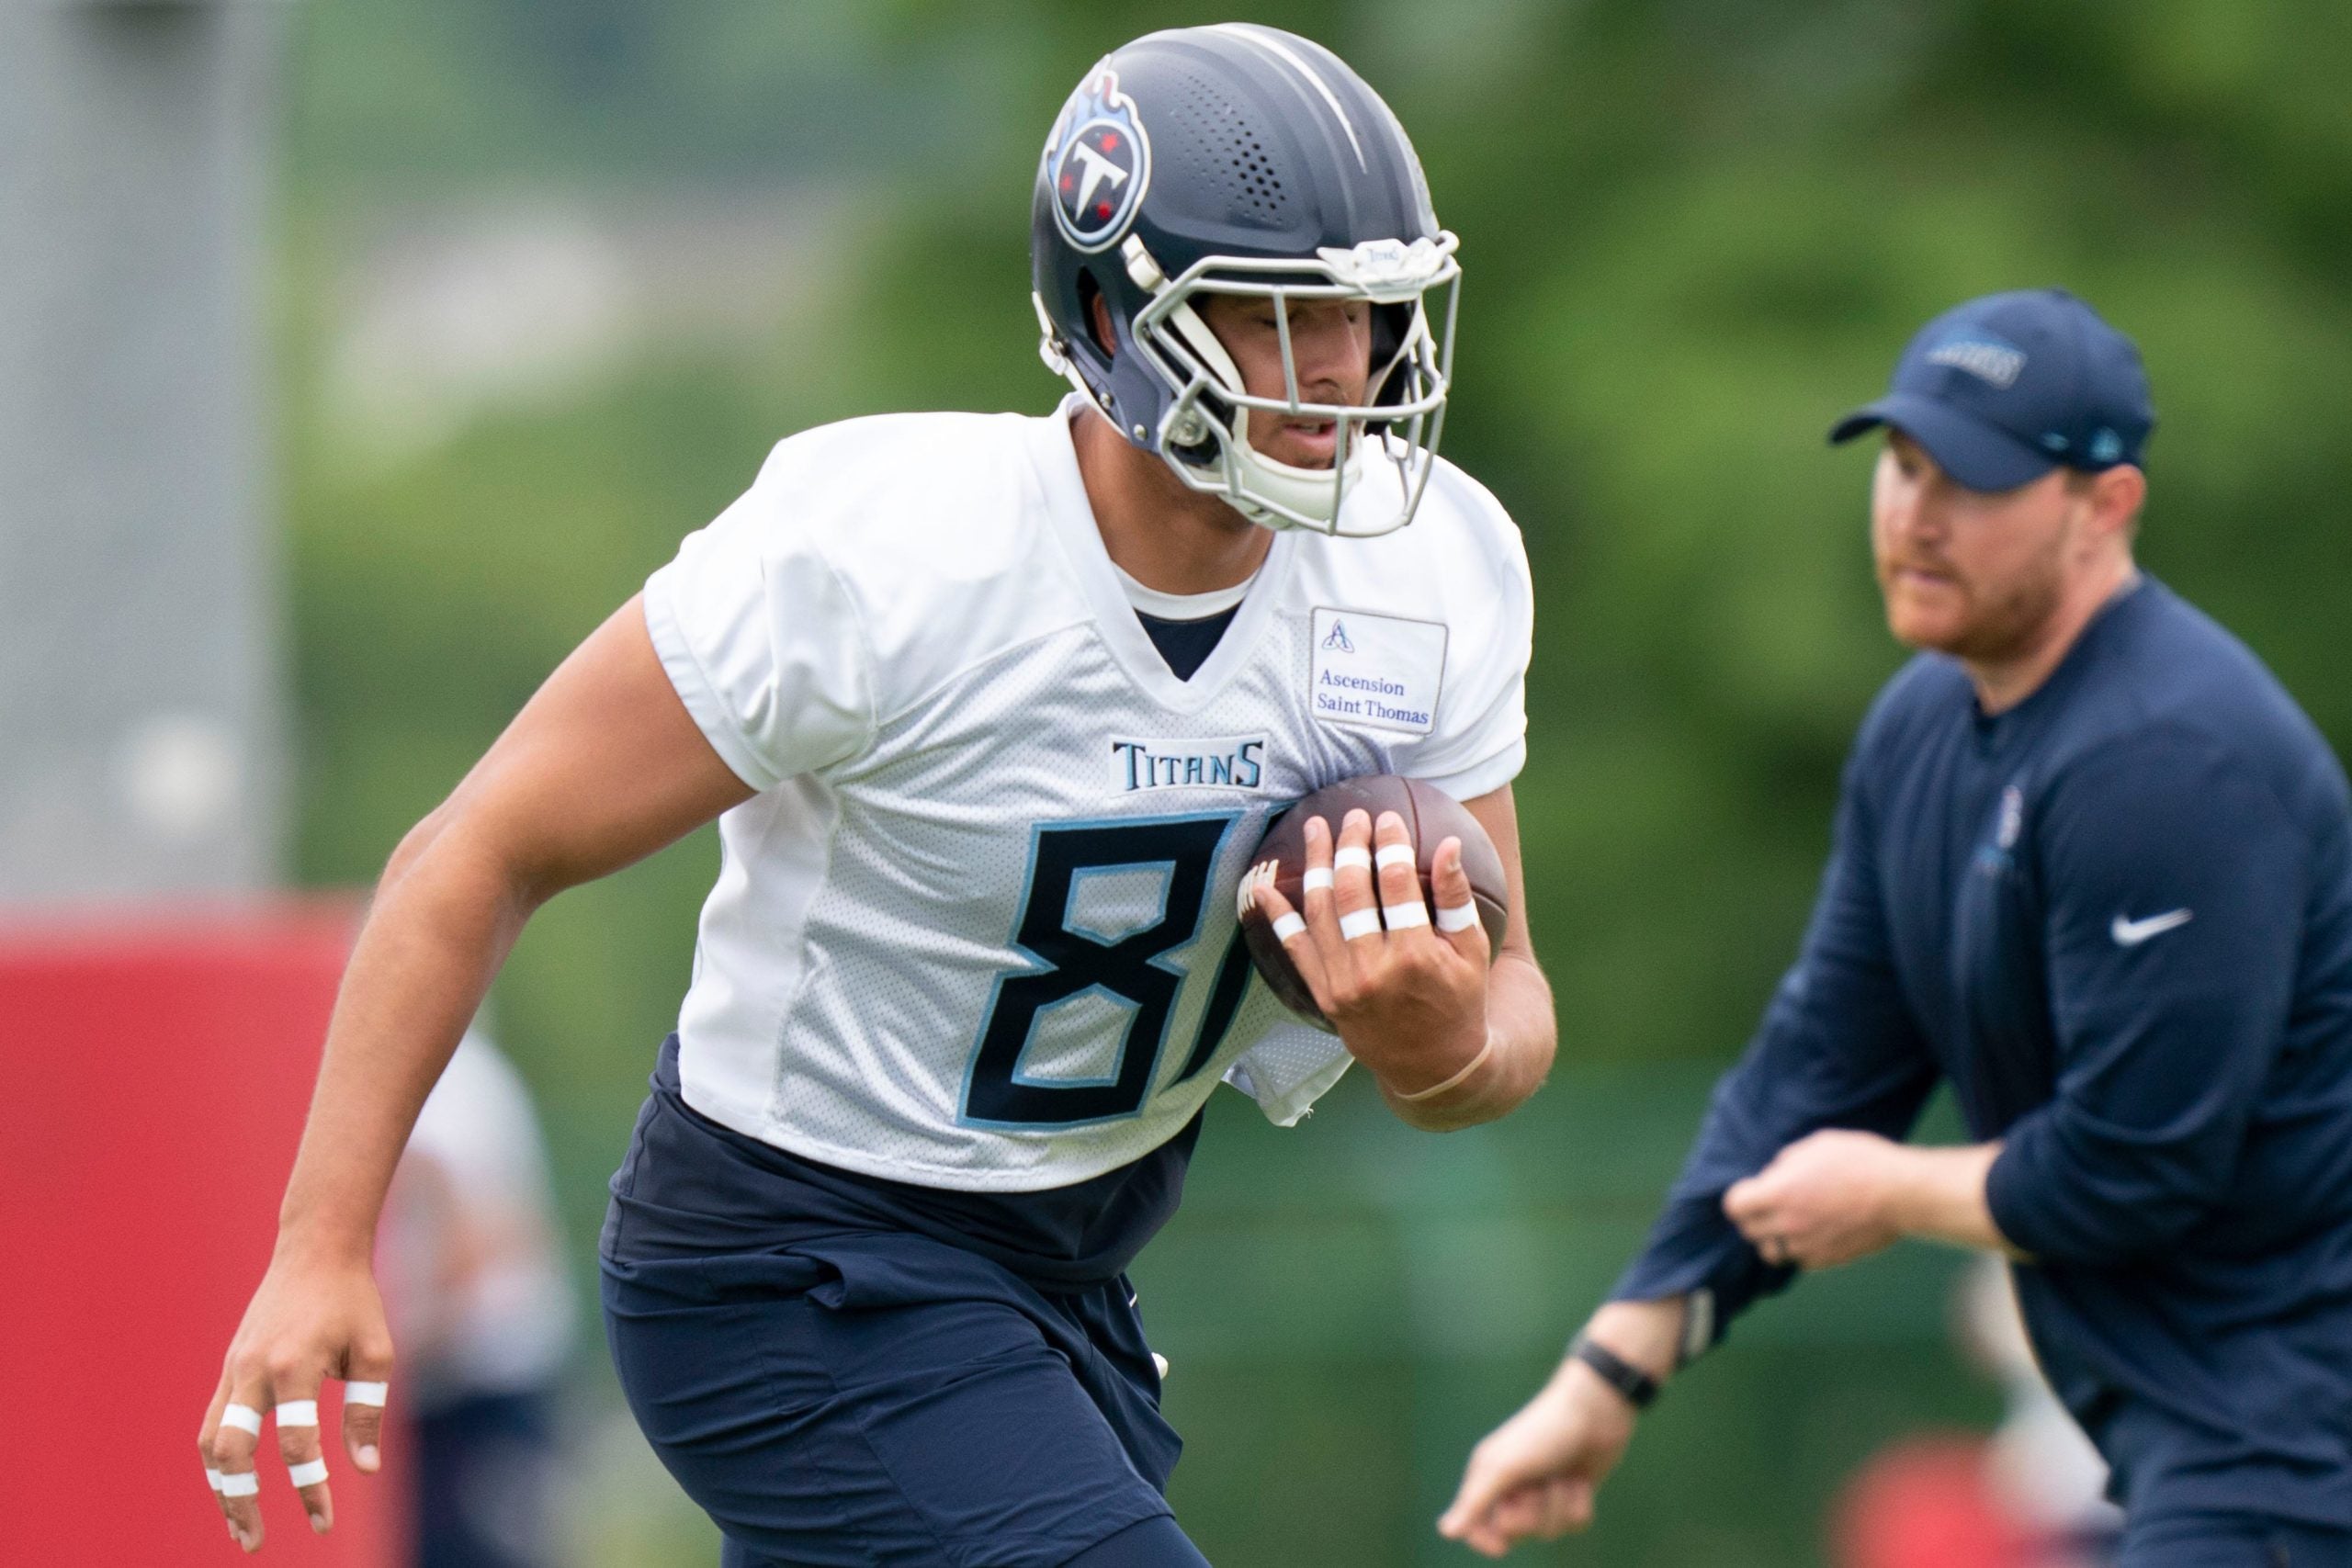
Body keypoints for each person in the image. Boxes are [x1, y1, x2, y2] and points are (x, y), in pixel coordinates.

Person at [198, 25, 1555, 1567]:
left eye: (1371, 311)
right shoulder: (891, 555)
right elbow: (476, 850)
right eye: (1272, 311)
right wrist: (321, 1245)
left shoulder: (1434, 563)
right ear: (1112, 311)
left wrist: (1431, 1041)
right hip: (791, 1249)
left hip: (1074, 1257)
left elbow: (1515, 1018)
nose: (1341, 368)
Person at [1440, 288, 2352, 1566]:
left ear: (2107, 506)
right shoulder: (1923, 726)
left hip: (2298, 1451)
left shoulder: (2170, 758)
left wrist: (1892, 1191)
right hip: (2186, 1441)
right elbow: (1817, 1073)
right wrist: (1605, 1376)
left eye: (1971, 482)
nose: (1915, 514)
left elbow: (2138, 1165)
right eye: (1903, 465)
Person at [380, 1025, 575, 1568]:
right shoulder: (454, 1070)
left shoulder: (446, 1078)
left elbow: (476, 1235)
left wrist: (392, 1346)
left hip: (480, 1383)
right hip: (446, 1388)